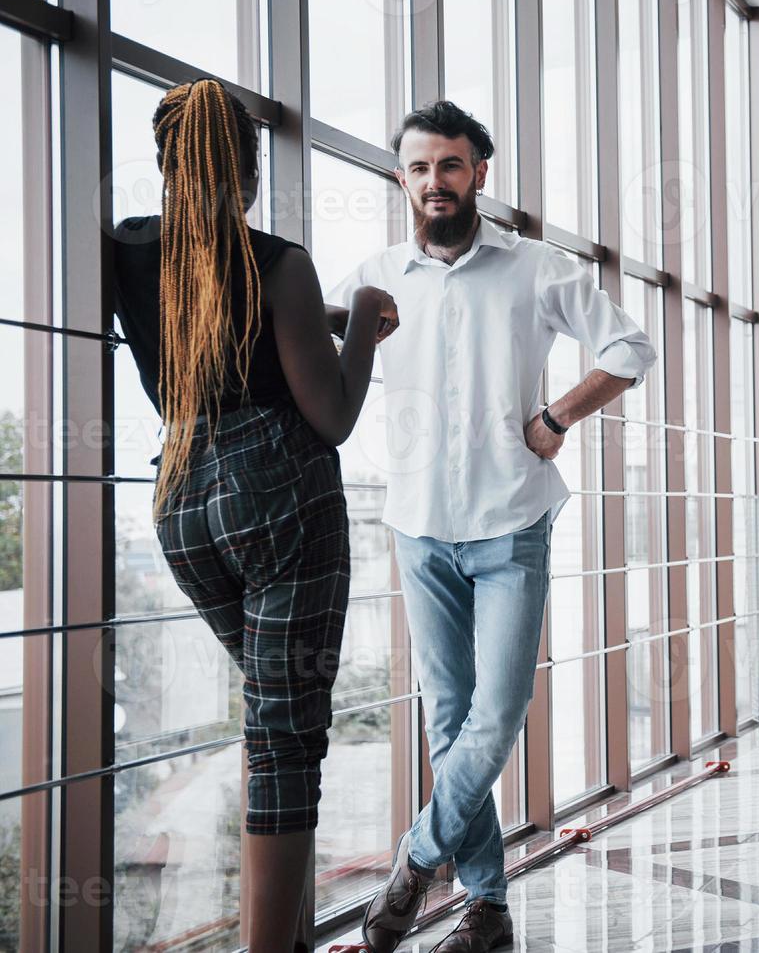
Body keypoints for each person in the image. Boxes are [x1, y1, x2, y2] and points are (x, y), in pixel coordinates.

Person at [331, 102, 657, 953]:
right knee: (447, 718)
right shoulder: (374, 278)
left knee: (498, 710)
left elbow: (627, 347)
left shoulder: (534, 267)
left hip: (510, 519)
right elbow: (306, 352)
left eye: (449, 165)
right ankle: (486, 906)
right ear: (402, 179)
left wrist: (556, 416)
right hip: (416, 523)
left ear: (480, 170)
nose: (433, 182)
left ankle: (415, 861)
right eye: (417, 168)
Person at [113, 78, 397, 952]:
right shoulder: (280, 261)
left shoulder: (124, 247)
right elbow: (333, 415)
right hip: (279, 493)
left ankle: (290, 933)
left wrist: (321, 320)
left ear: (167, 164)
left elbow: (207, 314)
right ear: (250, 169)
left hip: (183, 497)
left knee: (272, 715)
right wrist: (365, 332)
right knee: (285, 738)